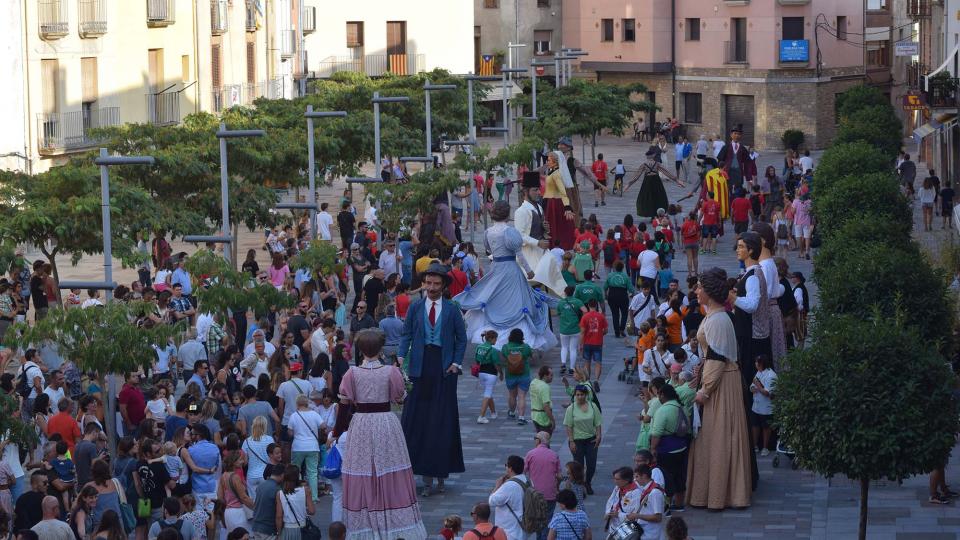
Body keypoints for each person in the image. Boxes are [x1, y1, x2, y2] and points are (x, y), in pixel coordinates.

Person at [339, 330, 427, 538]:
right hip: (386, 422)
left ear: (360, 350)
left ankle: (366, 527)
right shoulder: (391, 371)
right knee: (389, 468)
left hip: (361, 423)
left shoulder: (351, 373)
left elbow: (343, 407)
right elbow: (401, 399)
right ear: (380, 349)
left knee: (363, 469)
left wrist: (336, 432)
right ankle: (394, 526)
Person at [685, 268, 752, 510]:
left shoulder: (718, 320)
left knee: (720, 437)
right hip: (720, 380)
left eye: (700, 287)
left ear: (710, 292)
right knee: (716, 436)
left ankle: (720, 494)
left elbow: (717, 357)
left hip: (721, 384)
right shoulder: (714, 316)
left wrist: (705, 390)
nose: (696, 291)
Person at [398, 263, 468, 496]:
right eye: (428, 283)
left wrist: (456, 363)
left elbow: (461, 339)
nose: (431, 287)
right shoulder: (416, 307)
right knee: (415, 417)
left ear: (443, 286)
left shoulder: (451, 309)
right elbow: (407, 333)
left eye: (436, 284)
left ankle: (440, 471)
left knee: (442, 418)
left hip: (444, 367)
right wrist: (400, 355)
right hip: (419, 365)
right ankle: (414, 469)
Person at [454, 201, 558, 350]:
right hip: (510, 269)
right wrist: (529, 271)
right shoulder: (510, 232)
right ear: (507, 215)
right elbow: (519, 255)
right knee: (517, 301)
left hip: (496, 269)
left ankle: (493, 339)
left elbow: (489, 250)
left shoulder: (488, 232)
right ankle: (519, 341)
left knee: (493, 298)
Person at [733, 232, 771, 391]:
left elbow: (752, 305)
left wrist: (732, 298)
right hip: (753, 333)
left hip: (751, 335)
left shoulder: (753, 276)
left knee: (750, 377)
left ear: (750, 251)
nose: (737, 249)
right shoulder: (754, 273)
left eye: (741, 247)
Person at [648, 384, 688, 511]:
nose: (658, 397)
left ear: (663, 395)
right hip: (682, 447)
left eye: (659, 394)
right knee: (680, 476)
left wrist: (653, 449)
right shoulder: (682, 407)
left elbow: (657, 433)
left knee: (665, 477)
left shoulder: (663, 410)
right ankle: (679, 504)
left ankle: (666, 505)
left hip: (666, 450)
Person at [563, 385, 602, 495]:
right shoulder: (571, 408)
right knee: (578, 466)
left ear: (586, 395)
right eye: (577, 395)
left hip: (591, 440)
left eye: (582, 394)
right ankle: (579, 487)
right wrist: (571, 441)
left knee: (591, 465)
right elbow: (568, 426)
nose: (579, 397)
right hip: (577, 441)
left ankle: (587, 482)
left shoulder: (593, 406)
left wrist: (599, 435)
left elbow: (598, 423)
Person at [625, 148, 682, 218]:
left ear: (647, 156)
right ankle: (657, 213)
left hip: (647, 182)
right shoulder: (657, 164)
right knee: (659, 197)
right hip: (656, 182)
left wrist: (629, 184)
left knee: (648, 198)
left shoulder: (644, 165)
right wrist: (677, 180)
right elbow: (666, 172)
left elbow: (636, 176)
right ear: (653, 156)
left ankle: (651, 214)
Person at [525, 432, 560, 540]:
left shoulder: (531, 454)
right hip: (550, 493)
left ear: (538, 440)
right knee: (548, 518)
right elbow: (559, 475)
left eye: (535, 438)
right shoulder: (554, 455)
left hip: (535, 494)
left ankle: (540, 537)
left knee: (536, 519)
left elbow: (522, 471)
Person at [488, 455, 531, 540]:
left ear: (510, 469)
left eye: (506, 465)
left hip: (509, 532)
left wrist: (498, 486)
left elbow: (491, 501)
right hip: (523, 528)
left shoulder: (509, 486)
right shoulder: (527, 480)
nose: (506, 468)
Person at [275, 465, 315, 540]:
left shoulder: (280, 494)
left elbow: (279, 516)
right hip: (302, 528)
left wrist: (279, 533)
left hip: (288, 529)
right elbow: (312, 511)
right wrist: (303, 509)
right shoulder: (306, 490)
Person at [750, 355, 777, 456]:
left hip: (766, 408)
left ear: (762, 364)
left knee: (766, 427)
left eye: (757, 362)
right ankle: (755, 445)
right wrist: (755, 388)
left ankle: (765, 448)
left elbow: (768, 393)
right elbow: (752, 387)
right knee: (755, 426)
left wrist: (758, 386)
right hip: (756, 406)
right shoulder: (758, 373)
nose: (755, 364)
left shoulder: (771, 375)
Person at [556, 287, 586, 376]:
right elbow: (585, 310)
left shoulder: (561, 302)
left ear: (565, 292)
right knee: (573, 349)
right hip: (575, 329)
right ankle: (572, 368)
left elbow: (558, 313)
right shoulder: (577, 301)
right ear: (573, 292)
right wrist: (581, 321)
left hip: (564, 329)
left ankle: (563, 363)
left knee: (564, 347)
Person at [474, 331, 502, 424]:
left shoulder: (479, 347)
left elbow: (477, 360)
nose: (496, 340)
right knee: (487, 394)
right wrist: (501, 373)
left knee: (488, 392)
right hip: (491, 373)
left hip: (481, 373)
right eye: (495, 338)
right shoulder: (493, 350)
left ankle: (493, 413)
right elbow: (496, 364)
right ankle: (481, 416)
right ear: (491, 339)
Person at [602, 467, 641, 532]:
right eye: (614, 478)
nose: (615, 481)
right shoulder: (618, 488)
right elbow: (610, 502)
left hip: (626, 529)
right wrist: (608, 513)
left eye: (617, 479)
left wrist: (618, 515)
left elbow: (635, 514)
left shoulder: (636, 493)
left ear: (627, 480)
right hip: (614, 527)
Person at [579, 299, 608, 385]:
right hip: (598, 342)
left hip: (587, 343)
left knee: (587, 362)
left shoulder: (585, 317)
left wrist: (580, 345)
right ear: (596, 305)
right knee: (598, 362)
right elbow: (606, 330)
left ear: (588, 305)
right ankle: (596, 380)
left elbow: (582, 332)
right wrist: (600, 334)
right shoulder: (601, 316)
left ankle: (588, 380)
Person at [250, 464, 283, 540]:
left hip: (256, 527)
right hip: (268, 529)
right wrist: (279, 532)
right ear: (282, 475)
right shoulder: (277, 489)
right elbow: (279, 515)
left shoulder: (261, 485)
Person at [717, 126, 751, 192]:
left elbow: (747, 163)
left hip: (738, 172)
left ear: (740, 136)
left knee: (738, 189)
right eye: (735, 133)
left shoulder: (743, 148)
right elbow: (720, 160)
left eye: (738, 134)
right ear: (731, 135)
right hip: (727, 171)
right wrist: (719, 171)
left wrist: (748, 177)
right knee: (727, 188)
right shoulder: (726, 147)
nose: (737, 135)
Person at [529, 367, 555, 434]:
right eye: (551, 375)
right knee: (545, 441)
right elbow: (546, 406)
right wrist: (552, 420)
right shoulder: (545, 387)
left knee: (539, 438)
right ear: (545, 376)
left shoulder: (533, 382)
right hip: (543, 418)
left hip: (534, 415)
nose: (552, 377)